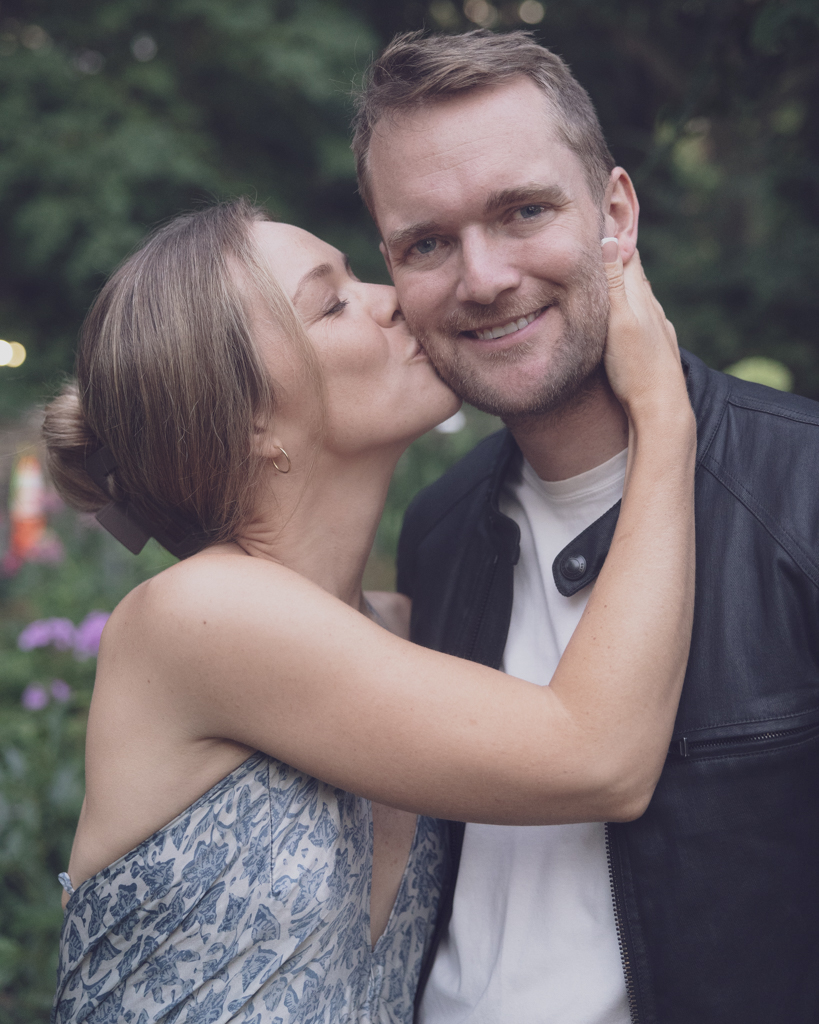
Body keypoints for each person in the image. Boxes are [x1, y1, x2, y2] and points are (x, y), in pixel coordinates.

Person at [46, 199, 693, 1023]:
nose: (391, 297)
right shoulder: (194, 614)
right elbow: (598, 755)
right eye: (333, 300)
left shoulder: (393, 628)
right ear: (247, 420)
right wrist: (664, 414)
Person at [352, 28, 819, 1024]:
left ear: (615, 214)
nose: (481, 278)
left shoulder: (805, 488)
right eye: (427, 242)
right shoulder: (439, 527)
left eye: (523, 211)